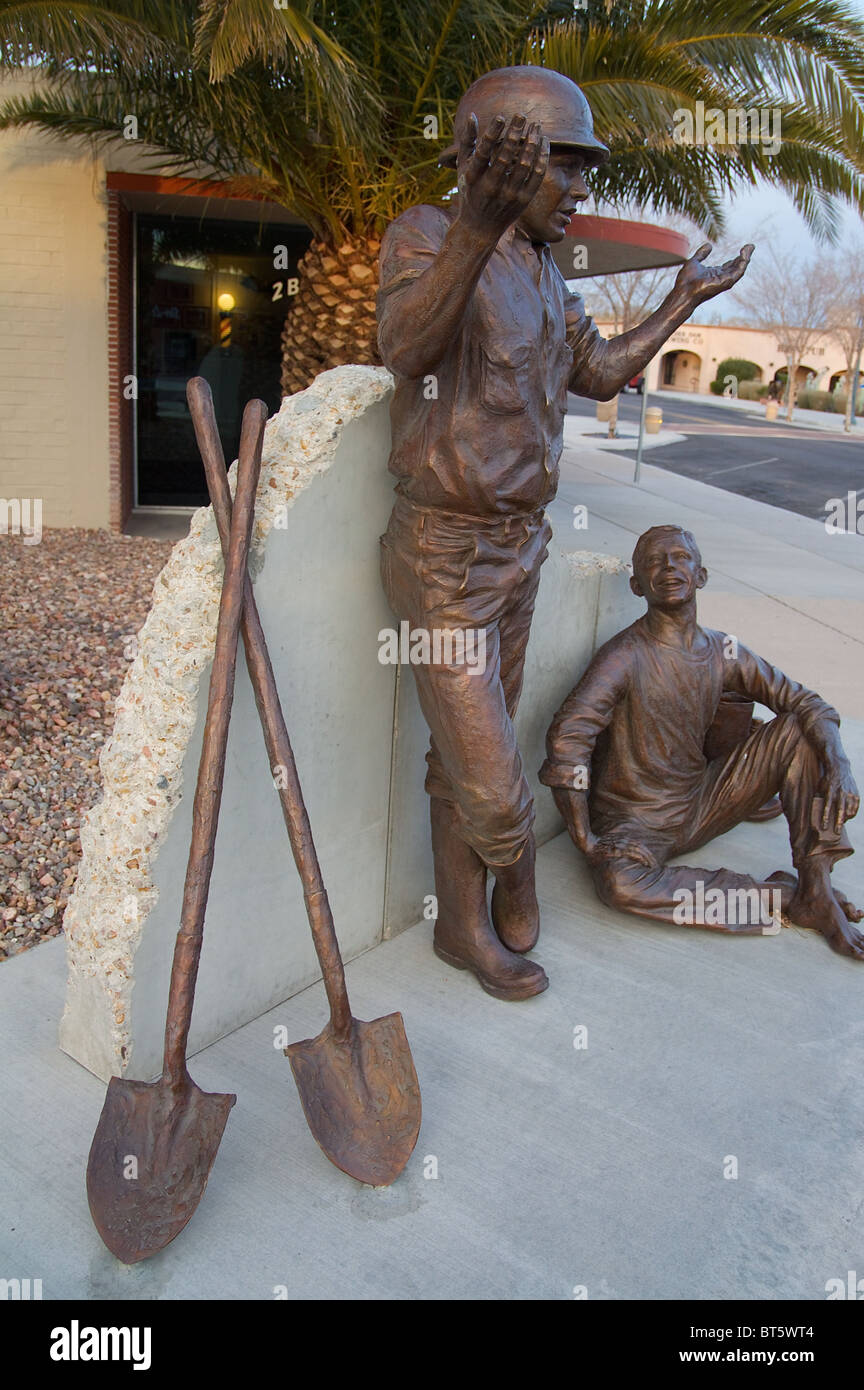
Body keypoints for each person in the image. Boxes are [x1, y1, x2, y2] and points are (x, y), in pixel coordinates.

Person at [376, 66, 754, 999]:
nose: (583, 191)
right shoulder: (427, 234)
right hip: (443, 558)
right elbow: (404, 347)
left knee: (454, 761)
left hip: (520, 552)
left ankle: (459, 932)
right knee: (496, 784)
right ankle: (515, 865)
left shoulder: (547, 271)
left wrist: (682, 300)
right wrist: (473, 224)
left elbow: (598, 372)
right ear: (498, 160)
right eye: (569, 167)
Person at [540, 524, 863, 958]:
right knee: (620, 886)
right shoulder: (625, 656)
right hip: (635, 824)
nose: (668, 567)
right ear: (637, 585)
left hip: (701, 801)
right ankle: (780, 898)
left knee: (799, 732)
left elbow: (807, 702)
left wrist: (839, 765)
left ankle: (817, 886)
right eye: (653, 561)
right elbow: (568, 738)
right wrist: (586, 838)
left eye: (679, 557)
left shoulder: (722, 650)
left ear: (702, 574)